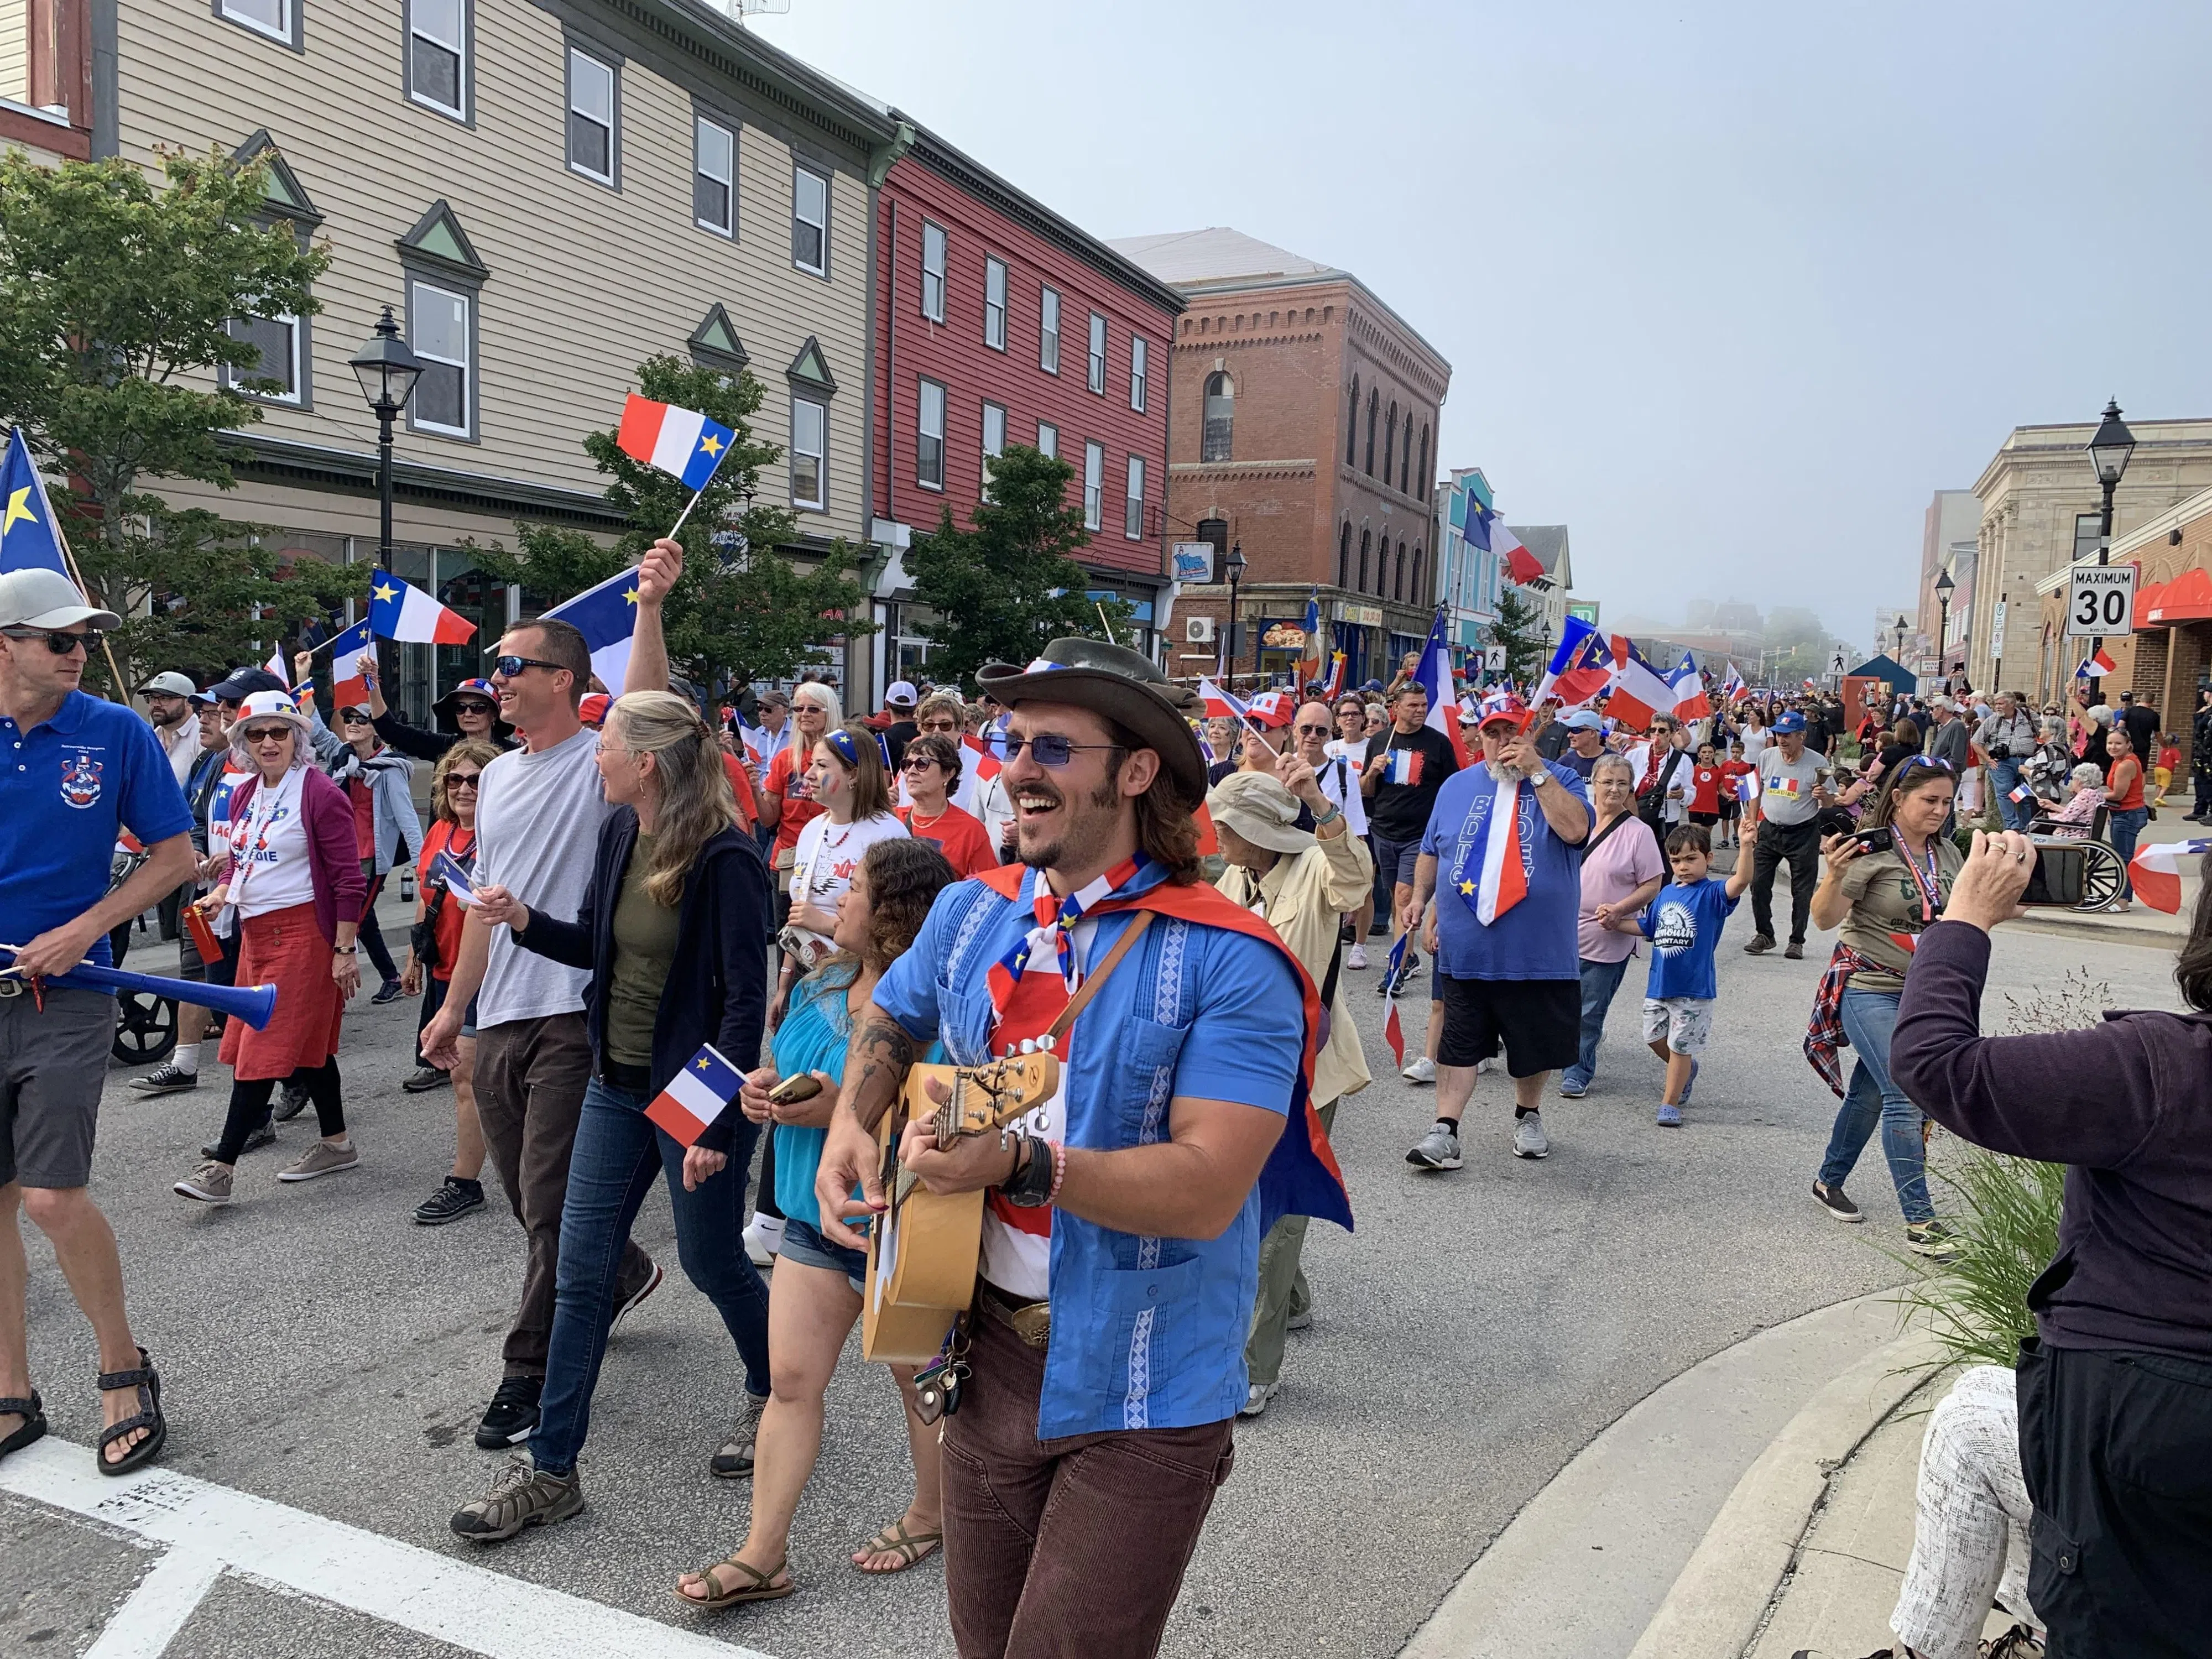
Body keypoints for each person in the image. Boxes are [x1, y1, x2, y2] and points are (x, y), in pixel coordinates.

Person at [803, 637, 1346, 1657]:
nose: (1017, 769)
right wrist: (847, 1122)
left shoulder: (1235, 960)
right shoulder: (975, 911)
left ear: (1137, 773)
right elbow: (893, 1015)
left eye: (1056, 745)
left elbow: (1204, 1190)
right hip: (986, 1353)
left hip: (1147, 1382)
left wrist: (1018, 1165)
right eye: (1012, 743)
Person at [450, 691, 774, 1539]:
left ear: (648, 764)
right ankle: (553, 1471)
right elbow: (593, 940)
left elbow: (746, 1007)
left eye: (608, 747)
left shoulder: (726, 857)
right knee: (579, 1273)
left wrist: (703, 1124)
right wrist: (519, 920)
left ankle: (775, 1387)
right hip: (613, 1084)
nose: (596, 757)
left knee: (712, 1264)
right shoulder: (619, 832)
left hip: (693, 1096)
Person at [1891, 829, 2212, 1656]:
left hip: (2146, 1416)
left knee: (1970, 1424)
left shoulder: (2161, 1070)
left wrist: (1964, 918)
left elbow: (1935, 1064)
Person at [420, 546, 680, 1451]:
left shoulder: (594, 761)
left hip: (575, 1009)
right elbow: (488, 903)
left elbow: (646, 703)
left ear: (563, 681)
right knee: (536, 1203)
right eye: (494, 666)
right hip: (500, 1016)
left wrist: (647, 605)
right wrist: (455, 1010)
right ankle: (621, 1270)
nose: (494, 677)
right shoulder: (493, 775)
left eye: (510, 665)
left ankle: (527, 1369)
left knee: (550, 1202)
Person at [674, 838, 956, 1605]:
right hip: (807, 1211)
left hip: (899, 1218)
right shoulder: (822, 979)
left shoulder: (930, 1001)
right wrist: (760, 1093)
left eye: (856, 886)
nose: (839, 895)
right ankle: (763, 1554)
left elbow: (938, 1098)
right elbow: (781, 1068)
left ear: (896, 913)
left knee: (916, 1376)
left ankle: (932, 1514)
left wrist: (836, 1105)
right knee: (792, 1382)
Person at [1, 567, 196, 1474]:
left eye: (84, 639)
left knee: (49, 1194)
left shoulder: (114, 731)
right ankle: (12, 1389)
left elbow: (175, 857)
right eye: (59, 640)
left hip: (68, 994)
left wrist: (81, 931)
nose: (79, 653)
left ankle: (124, 1368)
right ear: (6, 643)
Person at [1207, 766, 1371, 1418]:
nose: (1216, 833)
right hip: (1240, 1061)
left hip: (1308, 1065)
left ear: (1257, 831)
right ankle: (1293, 1300)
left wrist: (1317, 804)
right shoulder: (1233, 876)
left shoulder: (1314, 869)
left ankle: (1255, 1366)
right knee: (1252, 1197)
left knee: (1272, 1216)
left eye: (1227, 825)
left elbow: (1355, 878)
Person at [171, 688, 368, 1208]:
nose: (267, 741)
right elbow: (242, 859)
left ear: (298, 736)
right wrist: (220, 893)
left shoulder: (321, 791)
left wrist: (345, 948)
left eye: (278, 731)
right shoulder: (244, 793)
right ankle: (337, 1143)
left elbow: (350, 880)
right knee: (306, 1047)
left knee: (261, 1048)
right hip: (256, 935)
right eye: (255, 733)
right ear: (242, 742)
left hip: (305, 934)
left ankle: (222, 1167)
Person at [1405, 697, 1594, 1168]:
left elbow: (1574, 831)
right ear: (1478, 737)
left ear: (1531, 735)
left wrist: (1538, 773)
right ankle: (1444, 1130)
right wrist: (1418, 899)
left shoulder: (1562, 778)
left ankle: (1528, 1115)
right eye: (1493, 733)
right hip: (1466, 946)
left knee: (1533, 1046)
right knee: (1459, 1043)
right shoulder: (1456, 786)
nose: (1502, 742)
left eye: (1514, 731)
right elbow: (1433, 848)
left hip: (1537, 950)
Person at [1802, 757, 1959, 1259]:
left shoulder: (1949, 853)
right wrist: (1833, 874)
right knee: (1904, 1092)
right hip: (1867, 985)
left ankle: (1828, 1181)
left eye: (1947, 801)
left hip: (1923, 996)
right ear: (1899, 798)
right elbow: (1824, 919)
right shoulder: (1870, 852)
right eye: (1929, 800)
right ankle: (1921, 1221)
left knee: (1870, 1095)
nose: (1940, 810)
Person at [404, 741, 500, 1224]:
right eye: (455, 780)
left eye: (476, 780)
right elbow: (428, 891)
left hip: (489, 971)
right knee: (475, 1076)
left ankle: (464, 1181)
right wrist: (413, 954)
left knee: (466, 1076)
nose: (464, 789)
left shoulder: (499, 834)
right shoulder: (441, 830)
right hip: (445, 968)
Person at [1610, 820, 1757, 1125]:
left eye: (1692, 859)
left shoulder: (1713, 894)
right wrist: (1614, 922)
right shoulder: (1665, 894)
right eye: (1676, 861)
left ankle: (1670, 1102)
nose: (1683, 867)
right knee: (1653, 1038)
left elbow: (1741, 881)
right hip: (1659, 985)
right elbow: (1646, 927)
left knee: (1680, 1046)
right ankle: (1687, 1070)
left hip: (1693, 989)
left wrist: (1745, 845)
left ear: (1708, 859)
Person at [774, 722, 908, 1011]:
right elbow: (800, 913)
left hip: (859, 981)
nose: (808, 775)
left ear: (854, 776)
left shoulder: (888, 835)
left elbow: (895, 930)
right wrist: (784, 984)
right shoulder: (812, 829)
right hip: (806, 973)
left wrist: (825, 923)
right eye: (811, 764)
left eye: (822, 766)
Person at [307, 676, 421, 1005]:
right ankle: (390, 977)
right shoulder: (343, 758)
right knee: (362, 918)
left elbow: (407, 819)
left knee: (352, 921)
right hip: (339, 853)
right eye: (349, 719)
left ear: (376, 728)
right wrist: (304, 679)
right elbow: (315, 730)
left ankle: (332, 988)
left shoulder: (389, 770)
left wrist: (422, 864)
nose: (353, 724)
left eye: (362, 719)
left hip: (370, 858)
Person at [1559, 755, 1665, 1099]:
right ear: (1594, 784)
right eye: (1608, 782)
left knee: (1589, 1009)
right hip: (1559, 932)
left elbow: (1652, 884)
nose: (1615, 790)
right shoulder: (1577, 821)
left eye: (1622, 783)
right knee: (1558, 1002)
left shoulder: (1639, 833)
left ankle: (1578, 1069)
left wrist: (1620, 909)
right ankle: (1557, 1052)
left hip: (1607, 935)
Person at [1362, 680, 1460, 994]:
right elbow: (1365, 791)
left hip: (1420, 836)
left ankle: (1395, 971)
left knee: (1405, 897)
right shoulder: (1379, 741)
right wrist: (1373, 773)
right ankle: (1409, 955)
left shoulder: (1438, 743)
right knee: (1396, 899)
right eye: (1413, 705)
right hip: (1383, 831)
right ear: (1397, 709)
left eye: (1423, 705)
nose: (1420, 710)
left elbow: (1452, 789)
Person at [1291, 698, 1374, 969]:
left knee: (1323, 959)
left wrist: (1355, 892)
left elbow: (1357, 831)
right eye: (1306, 729)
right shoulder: (1280, 768)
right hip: (1285, 871)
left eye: (1321, 731)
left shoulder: (1343, 773)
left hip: (1325, 874)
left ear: (1331, 734)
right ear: (1294, 730)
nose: (1312, 736)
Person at [1744, 711, 1832, 960]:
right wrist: (1752, 822)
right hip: (1770, 830)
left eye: (1787, 735)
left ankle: (1796, 940)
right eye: (1778, 735)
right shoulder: (1766, 757)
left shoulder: (1818, 763)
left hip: (1803, 834)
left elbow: (1831, 801)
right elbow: (1755, 791)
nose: (1781, 740)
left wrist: (1823, 797)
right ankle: (1765, 934)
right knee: (1758, 884)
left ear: (1801, 736)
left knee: (1802, 891)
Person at [759, 681, 838, 907]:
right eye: (799, 709)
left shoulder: (845, 757)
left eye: (813, 709)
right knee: (787, 937)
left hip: (832, 860)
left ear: (829, 712)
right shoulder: (785, 758)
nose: (804, 714)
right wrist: (754, 790)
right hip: (788, 860)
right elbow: (768, 819)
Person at [364, 663, 514, 762]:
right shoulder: (444, 747)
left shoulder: (514, 755)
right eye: (460, 708)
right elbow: (389, 730)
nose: (468, 714)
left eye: (478, 708)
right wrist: (372, 681)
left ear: (495, 714)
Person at [895, 733, 996, 878]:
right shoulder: (891, 819)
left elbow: (985, 889)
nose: (911, 771)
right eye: (907, 764)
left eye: (922, 764)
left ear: (948, 773)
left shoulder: (970, 831)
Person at [1975, 692, 2038, 832]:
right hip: (2003, 764)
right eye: (1996, 704)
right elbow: (1976, 742)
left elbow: (2045, 733)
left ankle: (2025, 827)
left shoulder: (2029, 716)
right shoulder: (1993, 721)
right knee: (2005, 792)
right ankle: (2012, 826)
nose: (1997, 707)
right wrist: (1988, 759)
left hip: (2026, 762)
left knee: (2024, 795)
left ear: (2012, 704)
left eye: (2001, 704)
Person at [2101, 727, 2148, 910]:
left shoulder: (2126, 764)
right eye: (2110, 743)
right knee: (2121, 855)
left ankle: (2123, 900)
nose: (2113, 747)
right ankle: (2121, 895)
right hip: (2123, 813)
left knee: (2123, 857)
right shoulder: (2118, 761)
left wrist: (2093, 795)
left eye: (2118, 743)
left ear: (2129, 745)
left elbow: (2118, 795)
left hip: (2128, 813)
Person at [140, 671, 201, 786]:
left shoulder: (203, 737)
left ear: (188, 702)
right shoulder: (149, 739)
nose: (156, 704)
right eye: (152, 698)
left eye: (165, 698)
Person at [2044, 761, 2106, 838]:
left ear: (2079, 781)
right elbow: (2073, 812)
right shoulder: (2096, 793)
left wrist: (2050, 816)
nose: (2071, 782)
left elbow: (2066, 818)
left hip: (2074, 835)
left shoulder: (2085, 795)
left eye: (2073, 779)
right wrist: (2052, 806)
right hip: (2085, 831)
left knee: (2036, 828)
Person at [1555, 709, 1606, 782]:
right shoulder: (1564, 763)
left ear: (1592, 733)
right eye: (1569, 730)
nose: (1569, 735)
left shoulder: (1616, 762)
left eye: (1575, 730)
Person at [879, 679, 919, 772]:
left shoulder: (884, 739)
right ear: (916, 706)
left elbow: (884, 779)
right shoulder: (925, 734)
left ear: (887, 704)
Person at [2191, 687, 2212, 822]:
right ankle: (2200, 810)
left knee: (2209, 783)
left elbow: (2203, 729)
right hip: (2202, 752)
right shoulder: (2207, 711)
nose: (2203, 695)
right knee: (2200, 781)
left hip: (2209, 752)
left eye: (2205, 692)